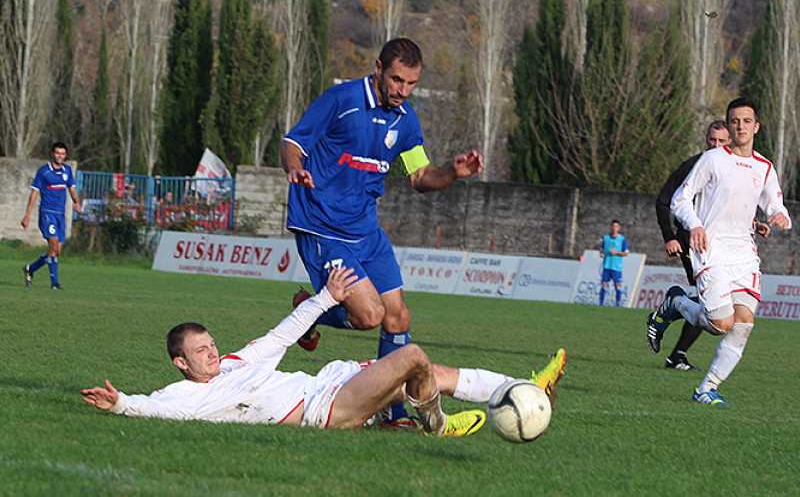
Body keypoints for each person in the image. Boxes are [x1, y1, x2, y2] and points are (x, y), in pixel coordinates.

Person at [81, 268, 567, 436]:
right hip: (325, 409)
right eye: (201, 352)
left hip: (329, 384)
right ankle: (436, 425)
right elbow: (156, 408)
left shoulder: (234, 363)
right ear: (180, 363)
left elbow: (279, 336)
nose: (212, 353)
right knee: (412, 357)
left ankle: (516, 388)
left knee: (430, 372)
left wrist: (326, 299)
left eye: (211, 344)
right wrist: (122, 403)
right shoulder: (187, 395)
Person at [281, 38, 483, 426]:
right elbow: (293, 142)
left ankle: (392, 414)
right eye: (396, 80)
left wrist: (453, 174)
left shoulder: (405, 121)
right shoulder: (341, 100)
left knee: (398, 318)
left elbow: (421, 177)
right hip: (322, 224)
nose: (401, 91)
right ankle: (309, 312)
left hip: (365, 229)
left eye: (410, 84)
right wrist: (294, 167)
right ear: (377, 68)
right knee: (370, 315)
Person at [647, 97, 792, 406]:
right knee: (720, 325)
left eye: (746, 121)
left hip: (744, 255)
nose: (740, 126)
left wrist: (780, 217)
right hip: (710, 249)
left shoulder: (764, 167)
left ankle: (706, 388)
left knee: (743, 325)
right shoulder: (713, 159)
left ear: (756, 126)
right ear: (730, 125)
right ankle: (677, 304)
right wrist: (696, 225)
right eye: (735, 121)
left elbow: (775, 205)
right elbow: (680, 200)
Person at [654, 121, 773, 371]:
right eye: (712, 141)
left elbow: (727, 207)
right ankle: (676, 326)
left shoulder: (733, 166)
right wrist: (670, 236)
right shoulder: (695, 165)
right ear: (706, 140)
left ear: (729, 142)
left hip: (724, 247)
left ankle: (677, 349)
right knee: (715, 308)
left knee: (717, 306)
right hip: (695, 242)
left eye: (721, 141)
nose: (715, 145)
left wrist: (754, 223)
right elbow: (665, 201)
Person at [20, 142, 81, 290]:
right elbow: (34, 193)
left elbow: (72, 189)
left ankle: (30, 268)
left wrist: (76, 202)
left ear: (65, 155)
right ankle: (55, 283)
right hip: (47, 214)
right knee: (53, 247)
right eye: (57, 153)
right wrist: (27, 215)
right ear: (52, 154)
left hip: (61, 215)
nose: (60, 156)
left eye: (62, 153)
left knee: (56, 251)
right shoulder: (44, 171)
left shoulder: (67, 170)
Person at [598, 220, 628, 307]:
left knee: (617, 285)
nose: (614, 228)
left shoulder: (622, 239)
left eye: (616, 226)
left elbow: (626, 253)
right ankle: (600, 304)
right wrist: (601, 253)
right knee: (604, 284)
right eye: (612, 226)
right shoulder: (606, 238)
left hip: (616, 267)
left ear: (619, 228)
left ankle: (618, 304)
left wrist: (617, 252)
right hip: (607, 265)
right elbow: (601, 250)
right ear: (610, 227)